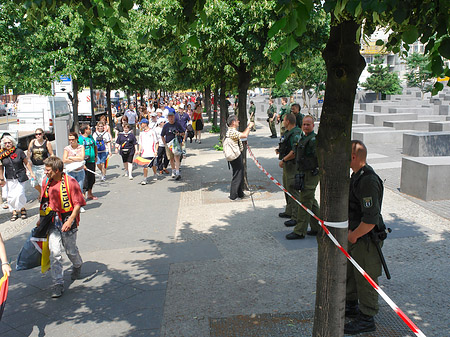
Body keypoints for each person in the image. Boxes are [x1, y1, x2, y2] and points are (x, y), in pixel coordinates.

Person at [345, 140, 385, 334]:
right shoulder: (356, 176)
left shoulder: (367, 180)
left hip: (366, 238)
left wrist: (353, 236)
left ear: (353, 157)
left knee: (366, 277)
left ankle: (367, 317)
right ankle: (351, 306)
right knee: (352, 275)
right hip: (357, 235)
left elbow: (370, 219)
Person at [39, 156, 86, 298]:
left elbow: (78, 203)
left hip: (67, 219)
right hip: (52, 221)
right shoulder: (46, 182)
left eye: (48, 170)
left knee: (70, 250)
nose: (46, 172)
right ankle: (57, 283)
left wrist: (70, 220)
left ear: (57, 170)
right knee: (55, 253)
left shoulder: (70, 182)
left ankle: (77, 265)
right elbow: (43, 202)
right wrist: (40, 219)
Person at [286, 115, 320, 240]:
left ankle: (299, 231)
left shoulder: (314, 140)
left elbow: (318, 159)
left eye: (308, 124)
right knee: (311, 201)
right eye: (304, 124)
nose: (305, 126)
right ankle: (318, 227)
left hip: (311, 174)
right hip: (303, 172)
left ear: (313, 126)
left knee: (305, 202)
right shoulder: (303, 137)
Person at [0, 135, 35, 221]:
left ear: (13, 143)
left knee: (20, 194)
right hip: (9, 177)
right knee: (11, 196)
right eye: (6, 143)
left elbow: (26, 163)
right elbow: (1, 167)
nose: (8, 144)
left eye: (9, 142)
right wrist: (1, 178)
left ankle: (22, 208)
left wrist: (31, 172)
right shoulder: (1, 154)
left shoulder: (19, 151)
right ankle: (14, 211)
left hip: (20, 175)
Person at [276, 114, 302, 227]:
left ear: (288, 121)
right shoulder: (288, 132)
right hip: (287, 165)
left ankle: (296, 217)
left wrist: (284, 160)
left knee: (293, 190)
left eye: (284, 120)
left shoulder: (295, 133)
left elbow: (294, 151)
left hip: (292, 165)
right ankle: (289, 211)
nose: (282, 121)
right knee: (287, 188)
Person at [225, 115, 254, 200]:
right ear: (233, 122)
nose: (238, 122)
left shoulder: (232, 131)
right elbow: (244, 135)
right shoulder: (231, 131)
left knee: (240, 173)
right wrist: (249, 126)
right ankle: (233, 195)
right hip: (235, 156)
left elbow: (240, 137)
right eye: (237, 120)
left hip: (236, 155)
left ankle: (240, 193)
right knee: (237, 175)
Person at [63, 132, 86, 213]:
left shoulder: (81, 147)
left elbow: (82, 158)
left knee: (79, 189)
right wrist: (77, 158)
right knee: (72, 189)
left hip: (80, 171)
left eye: (73, 139)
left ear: (76, 139)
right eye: (70, 140)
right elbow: (64, 160)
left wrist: (70, 157)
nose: (71, 141)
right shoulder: (67, 148)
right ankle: (73, 205)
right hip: (70, 172)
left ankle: (79, 205)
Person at [27, 128, 54, 197]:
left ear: (42, 134)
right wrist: (29, 160)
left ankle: (44, 195)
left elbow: (51, 154)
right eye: (36, 134)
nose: (38, 136)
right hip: (34, 166)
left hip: (43, 167)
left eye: (39, 134)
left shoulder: (47, 143)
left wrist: (51, 163)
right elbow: (29, 152)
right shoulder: (32, 142)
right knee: (34, 183)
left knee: (43, 183)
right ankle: (41, 192)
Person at [161, 111, 185, 180]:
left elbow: (183, 133)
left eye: (172, 117)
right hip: (169, 144)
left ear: (174, 117)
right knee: (171, 159)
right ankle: (173, 170)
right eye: (169, 117)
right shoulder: (166, 126)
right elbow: (162, 135)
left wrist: (179, 134)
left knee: (176, 157)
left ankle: (177, 172)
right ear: (168, 118)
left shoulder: (177, 124)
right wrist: (165, 144)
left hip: (176, 144)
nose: (171, 118)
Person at [78, 124, 97, 200]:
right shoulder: (80, 139)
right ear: (85, 130)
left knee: (91, 177)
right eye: (89, 128)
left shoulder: (91, 138)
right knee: (84, 178)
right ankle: (83, 195)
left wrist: (96, 155)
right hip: (84, 161)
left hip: (92, 160)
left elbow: (95, 146)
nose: (90, 129)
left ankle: (90, 193)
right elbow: (78, 150)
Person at [138, 119, 158, 185]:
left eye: (142, 124)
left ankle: (155, 173)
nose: (141, 125)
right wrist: (139, 150)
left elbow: (156, 142)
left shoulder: (152, 132)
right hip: (144, 153)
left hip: (152, 152)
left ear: (145, 124)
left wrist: (156, 151)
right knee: (145, 166)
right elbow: (140, 143)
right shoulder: (141, 133)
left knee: (153, 165)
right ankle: (145, 179)